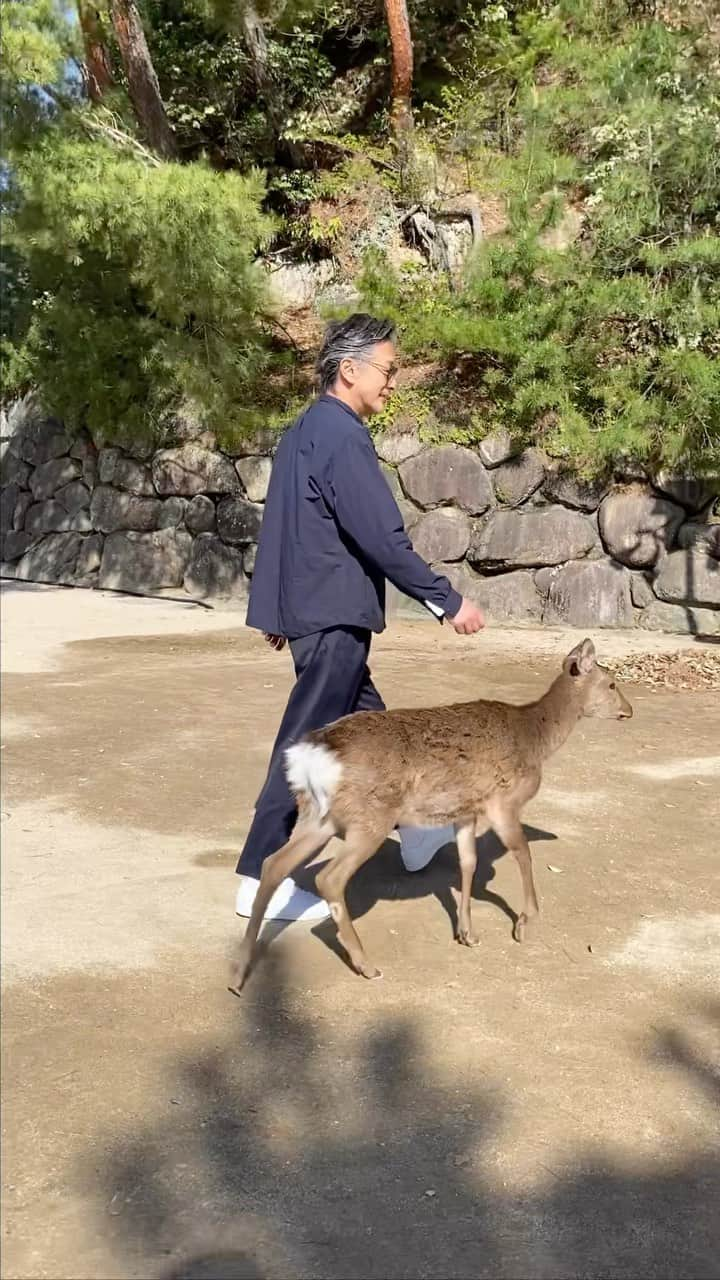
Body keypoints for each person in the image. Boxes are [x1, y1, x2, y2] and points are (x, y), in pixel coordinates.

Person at [236, 313, 485, 922]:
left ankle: (419, 830)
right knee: (307, 750)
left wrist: (280, 611)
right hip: (333, 620)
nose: (392, 383)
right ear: (349, 370)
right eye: (387, 370)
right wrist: (446, 600)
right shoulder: (343, 436)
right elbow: (380, 537)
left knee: (381, 736)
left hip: (318, 616)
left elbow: (284, 528)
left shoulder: (300, 432)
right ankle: (258, 875)